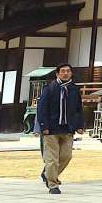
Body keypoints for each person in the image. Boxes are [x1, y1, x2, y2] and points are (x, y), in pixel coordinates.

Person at [35, 64, 83, 194]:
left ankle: (47, 173)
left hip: (68, 128)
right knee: (52, 158)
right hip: (51, 128)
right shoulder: (50, 88)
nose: (65, 73)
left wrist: (80, 125)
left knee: (66, 156)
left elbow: (79, 109)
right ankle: (53, 185)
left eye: (68, 71)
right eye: (63, 71)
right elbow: (42, 108)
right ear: (57, 74)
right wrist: (43, 126)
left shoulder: (74, 89)